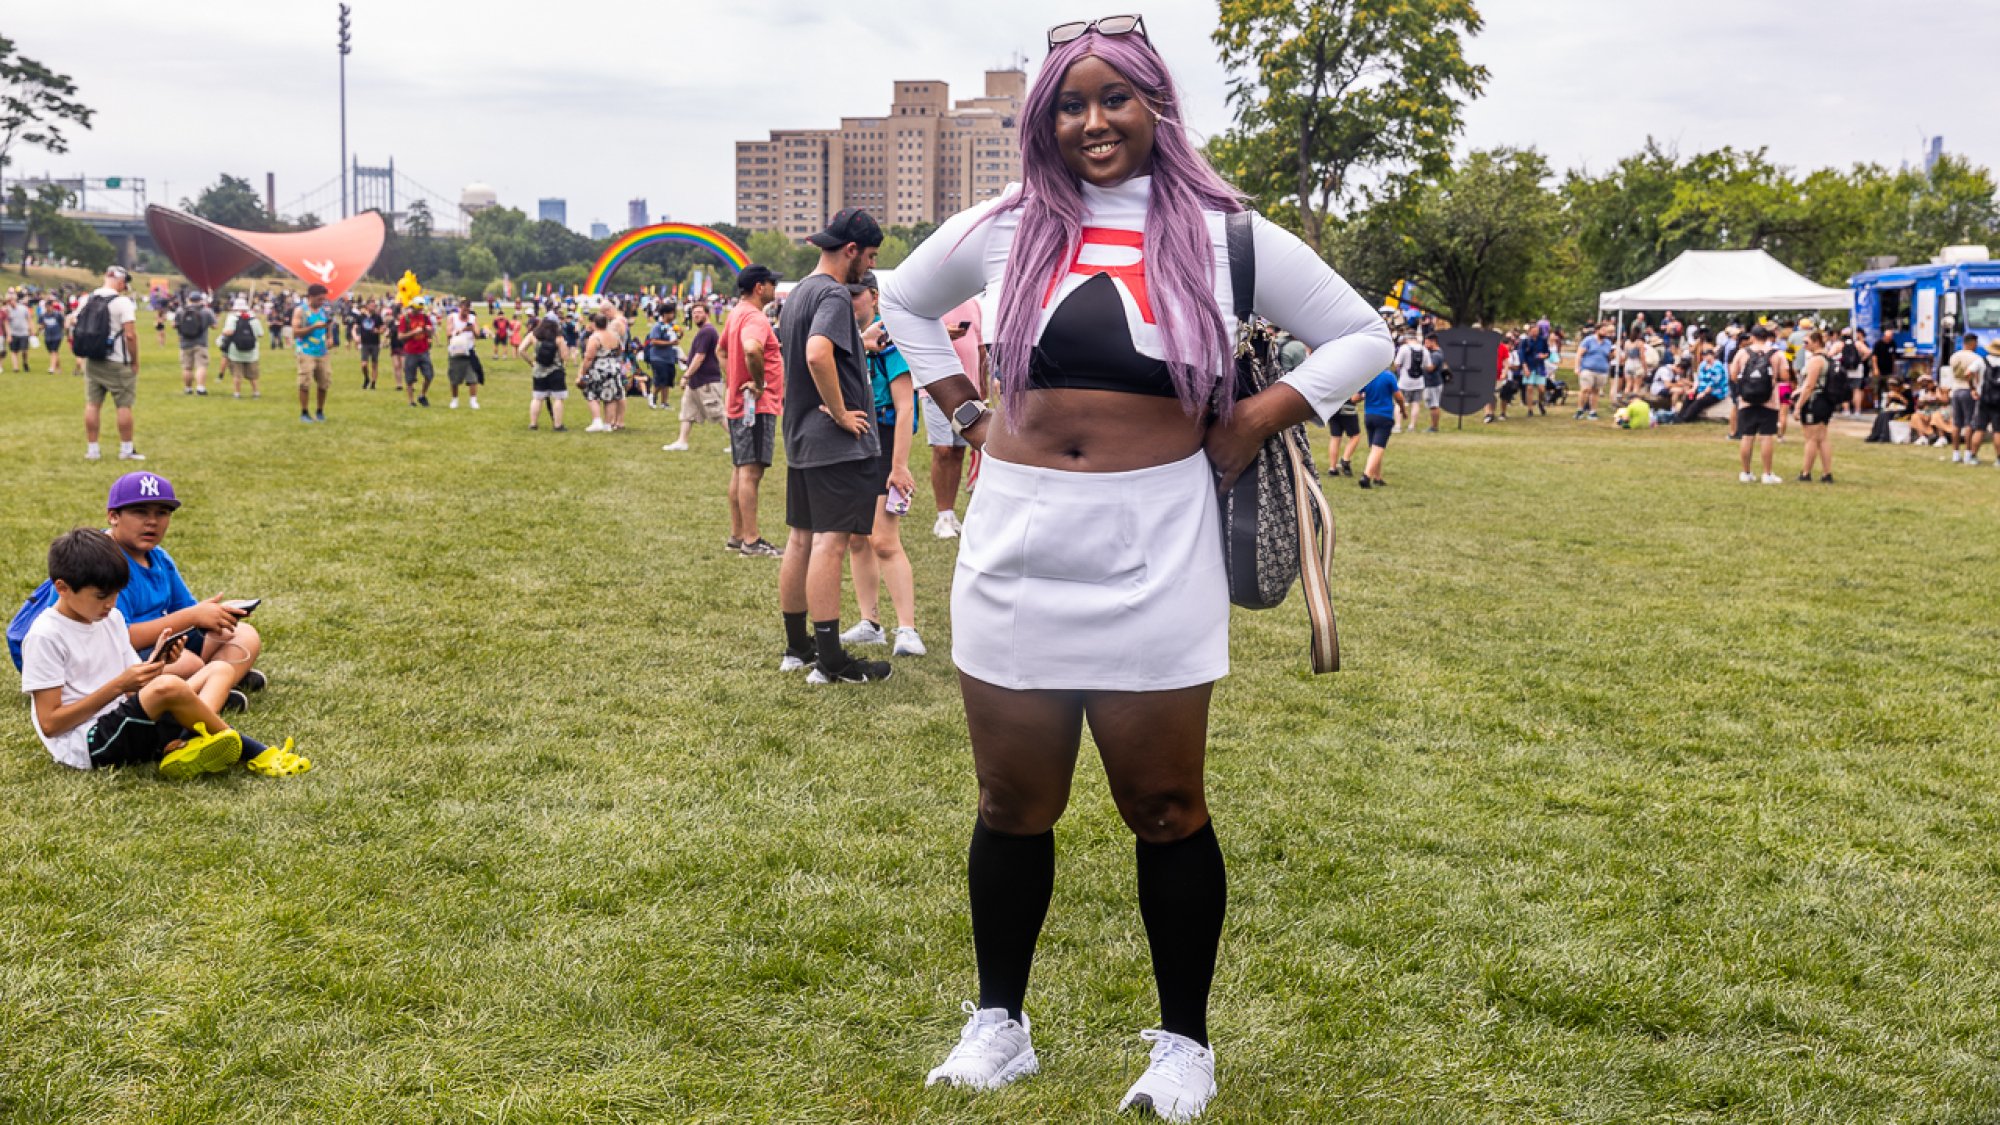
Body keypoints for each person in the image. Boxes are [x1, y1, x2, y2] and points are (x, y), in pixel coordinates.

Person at [879, 22, 1391, 1118]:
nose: (1092, 122)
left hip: (1155, 541)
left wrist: (1256, 414)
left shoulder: (1224, 234)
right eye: (1069, 104)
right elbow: (901, 302)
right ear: (1042, 121)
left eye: (1114, 99)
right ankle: (998, 1024)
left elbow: (1359, 334)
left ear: (1155, 104)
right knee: (1011, 801)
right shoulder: (1004, 224)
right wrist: (960, 409)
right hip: (1014, 537)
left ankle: (1182, 1047)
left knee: (1163, 805)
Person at [18, 528, 307, 777]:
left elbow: (134, 695)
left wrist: (156, 665)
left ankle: (183, 744)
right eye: (102, 596)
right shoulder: (45, 635)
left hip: (125, 719)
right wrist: (121, 684)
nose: (111, 604)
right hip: (88, 742)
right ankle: (255, 753)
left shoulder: (112, 618)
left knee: (219, 671)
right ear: (63, 588)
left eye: (117, 593)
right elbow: (51, 724)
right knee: (170, 687)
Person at [774, 208, 890, 685]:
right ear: (850, 251)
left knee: (800, 537)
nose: (869, 265)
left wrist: (859, 347)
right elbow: (817, 352)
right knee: (830, 541)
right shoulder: (834, 294)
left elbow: (810, 350)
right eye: (870, 256)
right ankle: (830, 661)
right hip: (833, 443)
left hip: (801, 436)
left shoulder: (799, 291)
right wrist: (842, 412)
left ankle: (797, 646)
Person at [840, 273, 925, 656]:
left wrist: (900, 465)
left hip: (886, 441)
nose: (849, 301)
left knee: (885, 541)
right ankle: (869, 622)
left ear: (873, 296)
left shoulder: (891, 340)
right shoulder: (843, 337)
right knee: (857, 538)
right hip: (853, 441)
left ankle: (906, 629)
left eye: (855, 295)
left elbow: (906, 407)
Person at [719, 265, 785, 557]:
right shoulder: (755, 316)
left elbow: (723, 350)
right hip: (756, 405)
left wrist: (733, 378)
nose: (774, 289)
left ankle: (737, 535)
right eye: (772, 283)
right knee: (751, 471)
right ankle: (751, 540)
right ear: (760, 287)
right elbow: (751, 349)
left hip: (739, 403)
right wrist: (759, 382)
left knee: (740, 468)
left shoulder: (735, 313)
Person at [923, 297, 988, 538]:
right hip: (936, 388)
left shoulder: (973, 305)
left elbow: (980, 349)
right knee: (943, 449)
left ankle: (950, 515)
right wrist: (942, 333)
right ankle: (942, 515)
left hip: (968, 390)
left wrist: (982, 389)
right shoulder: (931, 302)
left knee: (960, 449)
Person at [76, 266, 143, 462]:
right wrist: (135, 361)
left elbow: (72, 322)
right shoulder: (123, 302)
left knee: (92, 405)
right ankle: (126, 449)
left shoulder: (87, 299)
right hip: (117, 360)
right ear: (122, 283)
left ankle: (93, 449)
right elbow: (130, 335)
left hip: (93, 359)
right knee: (123, 405)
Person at [1730, 324, 1787, 483]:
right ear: (1767, 336)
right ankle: (1767, 474)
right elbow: (1784, 375)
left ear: (1752, 337)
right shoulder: (1776, 354)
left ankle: (1746, 473)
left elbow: (1734, 375)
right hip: (1769, 400)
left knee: (1747, 436)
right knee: (1766, 436)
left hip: (1746, 400)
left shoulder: (1742, 353)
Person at [663, 303, 723, 451]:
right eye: (694, 313)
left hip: (706, 381)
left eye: (699, 312)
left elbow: (700, 357)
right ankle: (682, 441)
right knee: (687, 412)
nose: (696, 315)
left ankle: (739, 444)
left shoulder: (707, 331)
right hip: (696, 382)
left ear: (707, 314)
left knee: (718, 413)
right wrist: (685, 359)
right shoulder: (704, 331)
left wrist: (686, 375)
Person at [1792, 331, 1837, 482]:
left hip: (1814, 401)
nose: (1804, 345)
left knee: (1811, 438)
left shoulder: (1816, 360)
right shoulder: (1827, 358)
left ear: (1816, 342)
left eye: (1807, 342)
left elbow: (1810, 385)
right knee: (1823, 438)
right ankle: (1826, 473)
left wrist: (1798, 406)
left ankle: (1806, 473)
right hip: (1825, 400)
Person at [576, 311, 627, 433]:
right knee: (610, 397)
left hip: (599, 368)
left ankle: (597, 420)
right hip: (613, 367)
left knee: (591, 394)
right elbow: (620, 350)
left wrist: (583, 373)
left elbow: (589, 357)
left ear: (595, 324)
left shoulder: (595, 337)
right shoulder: (615, 336)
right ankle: (608, 425)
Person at [518, 316, 570, 432]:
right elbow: (565, 356)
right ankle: (557, 425)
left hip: (539, 371)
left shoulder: (533, 335)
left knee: (537, 398)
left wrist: (531, 362)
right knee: (558, 398)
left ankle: (533, 424)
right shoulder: (559, 338)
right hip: (556, 371)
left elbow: (521, 349)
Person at [1356, 366, 1404, 489]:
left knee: (1374, 448)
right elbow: (1398, 396)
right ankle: (1366, 476)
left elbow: (1354, 398)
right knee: (1378, 448)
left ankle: (1377, 477)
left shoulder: (1368, 376)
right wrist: (1403, 409)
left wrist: (1365, 396)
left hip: (1369, 415)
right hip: (1384, 416)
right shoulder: (1389, 376)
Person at [292, 283, 334, 423]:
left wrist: (330, 339)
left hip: (322, 352)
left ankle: (320, 411)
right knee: (305, 382)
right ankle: (304, 412)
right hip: (305, 351)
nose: (322, 302)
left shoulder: (324, 311)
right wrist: (313, 327)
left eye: (323, 299)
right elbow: (295, 332)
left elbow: (328, 328)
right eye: (319, 299)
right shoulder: (300, 311)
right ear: (310, 297)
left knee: (324, 382)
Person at [1944, 333, 1986, 464]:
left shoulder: (1954, 356)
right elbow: (1976, 376)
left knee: (1956, 424)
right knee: (1969, 423)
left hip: (1956, 389)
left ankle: (1955, 453)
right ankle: (1968, 453)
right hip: (1968, 390)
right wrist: (1975, 389)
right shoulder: (1976, 358)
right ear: (1972, 343)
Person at [218, 297, 263, 399]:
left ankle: (237, 393)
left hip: (235, 351)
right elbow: (260, 334)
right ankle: (256, 392)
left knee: (237, 375)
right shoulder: (253, 319)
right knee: (253, 375)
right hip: (252, 352)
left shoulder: (232, 318)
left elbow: (228, 331)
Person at [396, 297, 437, 407]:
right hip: (410, 352)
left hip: (424, 351)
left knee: (429, 375)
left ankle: (422, 395)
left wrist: (429, 331)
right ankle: (411, 401)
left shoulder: (424, 317)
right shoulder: (405, 319)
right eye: (417, 309)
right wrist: (413, 332)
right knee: (410, 378)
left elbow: (431, 331)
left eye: (421, 309)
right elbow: (400, 336)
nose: (419, 311)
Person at [445, 302, 484, 410]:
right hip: (456, 351)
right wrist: (461, 330)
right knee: (454, 379)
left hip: (469, 351)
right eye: (463, 309)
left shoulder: (472, 318)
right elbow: (448, 333)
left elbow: (478, 335)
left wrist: (472, 330)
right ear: (460, 308)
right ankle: (454, 400)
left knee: (473, 378)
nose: (465, 312)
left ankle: (473, 401)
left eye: (467, 309)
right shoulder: (452, 318)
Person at [1575, 322, 1614, 420]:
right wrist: (1577, 367)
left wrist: (1612, 355)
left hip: (1602, 370)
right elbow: (1579, 354)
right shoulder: (1588, 340)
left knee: (1595, 391)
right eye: (1603, 330)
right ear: (1597, 330)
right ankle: (1580, 410)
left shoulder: (1608, 343)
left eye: (1607, 331)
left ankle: (1593, 411)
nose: (1605, 333)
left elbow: (1608, 357)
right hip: (1588, 369)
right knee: (1585, 389)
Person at [644, 313, 681, 412]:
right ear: (665, 314)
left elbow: (676, 339)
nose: (673, 315)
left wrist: (680, 333)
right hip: (658, 357)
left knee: (668, 381)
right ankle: (652, 396)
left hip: (670, 357)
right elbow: (654, 341)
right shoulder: (657, 326)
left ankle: (664, 403)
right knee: (661, 380)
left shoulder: (672, 326)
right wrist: (670, 343)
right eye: (671, 313)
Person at [1391, 332, 1425, 431]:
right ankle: (1412, 426)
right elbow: (1427, 365)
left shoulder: (1404, 348)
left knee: (1399, 403)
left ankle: (1398, 425)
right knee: (1415, 404)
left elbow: (1396, 363)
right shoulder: (1423, 348)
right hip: (1419, 381)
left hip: (1404, 381)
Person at [356, 301, 385, 389]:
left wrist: (379, 331)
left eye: (374, 306)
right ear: (367, 306)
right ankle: (366, 378)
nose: (373, 307)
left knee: (374, 363)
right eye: (371, 306)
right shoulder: (361, 317)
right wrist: (356, 337)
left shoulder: (377, 317)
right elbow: (355, 327)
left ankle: (373, 383)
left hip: (375, 343)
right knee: (364, 364)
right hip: (365, 343)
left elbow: (383, 328)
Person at [39, 296, 66, 374]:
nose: (47, 308)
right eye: (46, 307)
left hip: (57, 336)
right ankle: (58, 368)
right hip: (47, 336)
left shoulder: (57, 314)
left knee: (54, 351)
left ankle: (51, 368)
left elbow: (62, 324)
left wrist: (63, 332)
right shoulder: (43, 315)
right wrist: (40, 328)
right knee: (53, 352)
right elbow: (41, 325)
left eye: (48, 306)